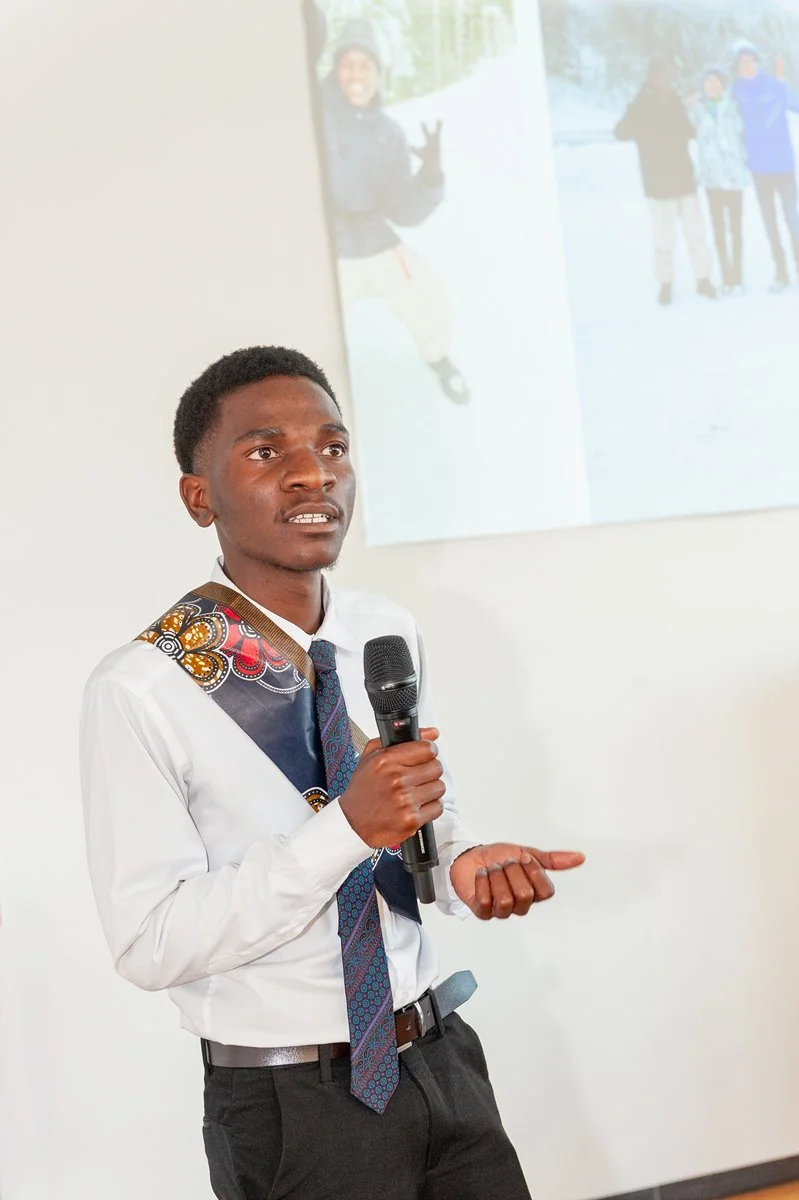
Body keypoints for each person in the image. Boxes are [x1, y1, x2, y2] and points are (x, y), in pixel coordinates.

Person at [80, 346, 584, 1199]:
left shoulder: (383, 632)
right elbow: (150, 943)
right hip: (293, 1104)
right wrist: (345, 829)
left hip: (441, 1057)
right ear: (199, 497)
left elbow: (417, 811)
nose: (314, 472)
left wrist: (458, 864)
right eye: (266, 450)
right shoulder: (141, 689)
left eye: (333, 446)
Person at [320, 19, 470, 403]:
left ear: (377, 75)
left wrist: (430, 177)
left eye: (365, 65)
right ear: (335, 70)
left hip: (375, 239)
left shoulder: (389, 133)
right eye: (348, 64)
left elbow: (403, 211)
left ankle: (437, 357)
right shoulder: (315, 117)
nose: (357, 74)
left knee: (427, 299)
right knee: (309, 324)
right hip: (327, 247)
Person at [615, 58, 716, 306]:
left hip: (684, 181)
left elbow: (690, 131)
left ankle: (703, 279)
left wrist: (699, 112)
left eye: (667, 75)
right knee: (663, 240)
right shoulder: (639, 105)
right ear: (650, 77)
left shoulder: (674, 101)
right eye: (659, 75)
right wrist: (635, 109)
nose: (664, 79)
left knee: (696, 235)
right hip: (658, 186)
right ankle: (665, 284)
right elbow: (620, 132)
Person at [732, 41, 799, 292]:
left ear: (758, 64)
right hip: (759, 170)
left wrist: (788, 88)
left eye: (750, 62)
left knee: (792, 219)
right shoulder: (737, 92)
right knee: (769, 223)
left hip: (783, 166)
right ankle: (781, 272)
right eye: (742, 64)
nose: (746, 67)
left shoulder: (775, 86)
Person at [687, 66, 749, 294]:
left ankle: (738, 276)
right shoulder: (697, 110)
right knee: (718, 228)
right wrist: (686, 104)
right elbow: (679, 124)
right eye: (707, 82)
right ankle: (726, 276)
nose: (712, 85)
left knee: (736, 227)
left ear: (722, 84)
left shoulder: (734, 106)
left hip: (733, 175)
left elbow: (745, 132)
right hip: (712, 177)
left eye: (715, 81)